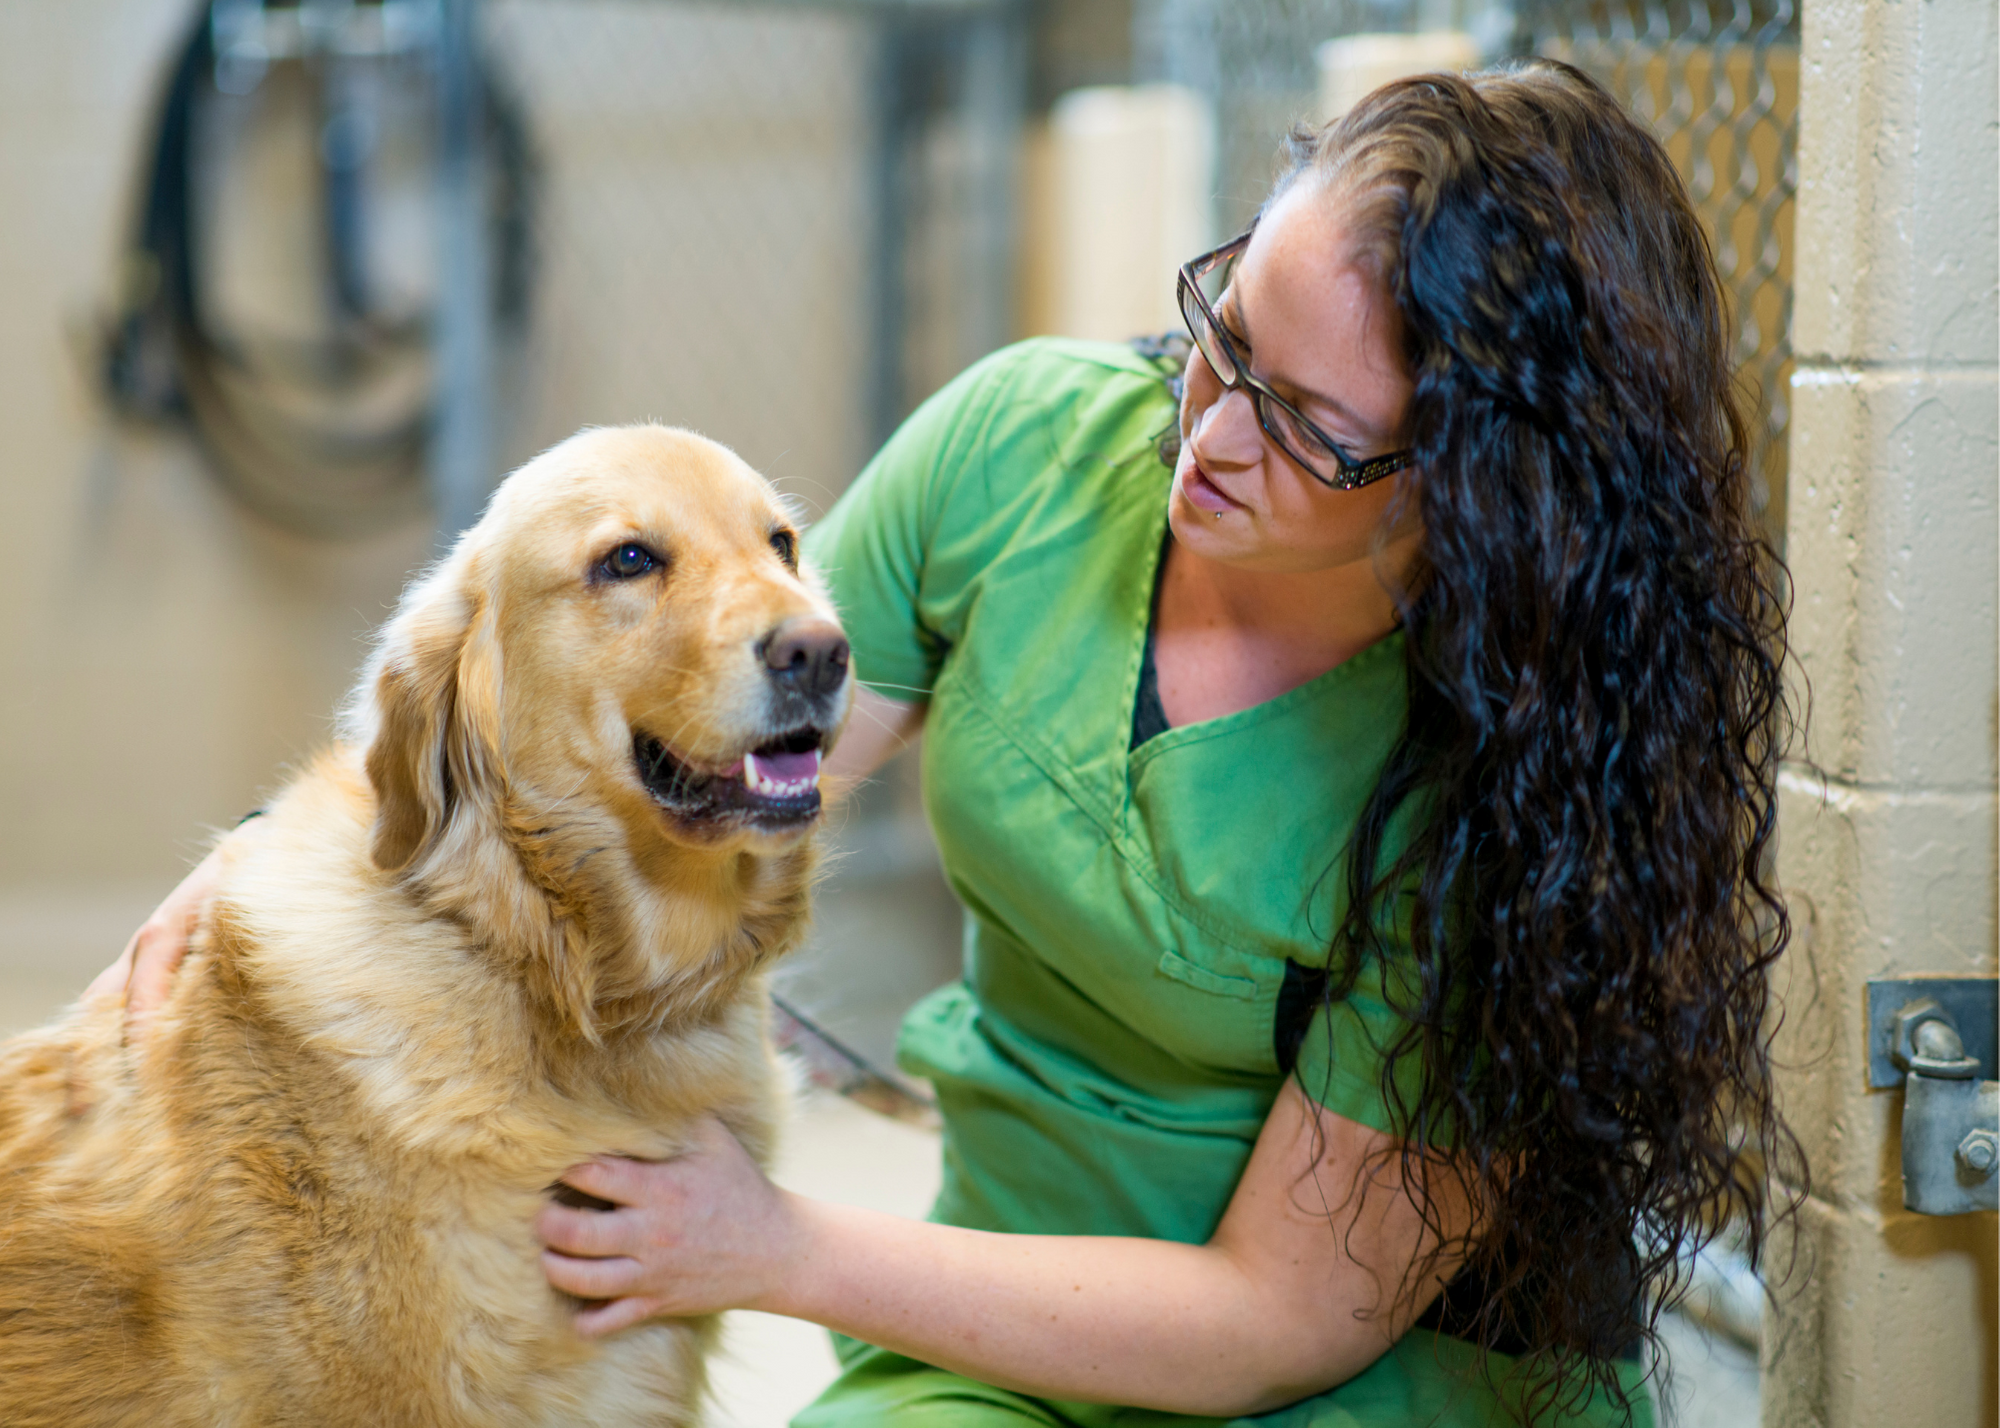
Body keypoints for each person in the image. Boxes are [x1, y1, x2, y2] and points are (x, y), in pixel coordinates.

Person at [102, 61, 1798, 1427]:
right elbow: (690, 744)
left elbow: (1270, 1325)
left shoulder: (1511, 786)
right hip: (994, 1319)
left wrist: (769, 1250)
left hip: (1355, 1380)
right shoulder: (1033, 450)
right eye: (1226, 325)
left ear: (1479, 508)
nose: (1203, 426)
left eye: (1301, 425)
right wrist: (293, 855)